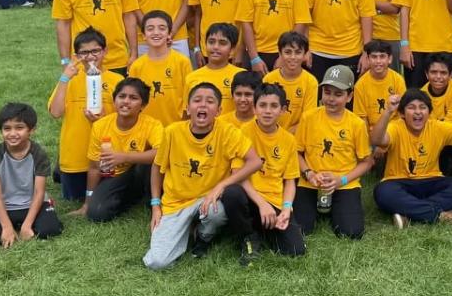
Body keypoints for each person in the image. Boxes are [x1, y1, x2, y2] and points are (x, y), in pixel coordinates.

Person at [144, 83, 263, 268]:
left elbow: (255, 161)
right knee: (157, 263)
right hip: (176, 202)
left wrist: (221, 186)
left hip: (207, 199)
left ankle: (203, 236)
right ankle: (186, 228)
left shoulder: (227, 131)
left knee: (218, 213)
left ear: (219, 110)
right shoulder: (172, 132)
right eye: (197, 100)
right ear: (187, 107)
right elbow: (157, 168)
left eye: (210, 102)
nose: (202, 105)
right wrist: (155, 205)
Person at [371, 89, 452, 229]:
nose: (418, 112)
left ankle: (410, 214)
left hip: (432, 180)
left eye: (423, 107)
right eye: (411, 107)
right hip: (398, 181)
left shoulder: (437, 127)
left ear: (429, 112)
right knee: (383, 192)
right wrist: (388, 112)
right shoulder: (396, 127)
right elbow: (376, 139)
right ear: (402, 113)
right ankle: (443, 217)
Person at [295, 66, 373, 239]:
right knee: (300, 229)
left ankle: (339, 209)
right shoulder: (309, 117)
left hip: (343, 183)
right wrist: (309, 173)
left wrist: (341, 180)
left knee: (351, 233)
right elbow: (297, 153)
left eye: (338, 94)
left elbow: (367, 162)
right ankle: (319, 209)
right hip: (311, 182)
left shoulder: (356, 124)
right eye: (327, 92)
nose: (330, 99)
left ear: (349, 96)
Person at [48, 28, 121, 203]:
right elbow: (56, 112)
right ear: (77, 55)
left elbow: (125, 121)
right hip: (75, 158)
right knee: (73, 197)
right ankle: (61, 171)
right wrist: (64, 78)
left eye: (95, 51)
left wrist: (104, 120)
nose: (90, 56)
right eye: (84, 53)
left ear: (105, 51)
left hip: (104, 157)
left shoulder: (116, 81)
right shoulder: (70, 80)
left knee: (104, 198)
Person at [78, 77, 163, 222]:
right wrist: (87, 202)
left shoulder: (152, 125)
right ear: (114, 100)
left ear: (143, 105)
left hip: (139, 172)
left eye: (133, 98)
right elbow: (93, 168)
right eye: (121, 96)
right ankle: (130, 198)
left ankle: (152, 200)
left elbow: (162, 153)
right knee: (96, 214)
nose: (126, 101)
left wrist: (125, 157)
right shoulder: (100, 126)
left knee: (151, 162)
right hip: (113, 176)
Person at [0, 103, 62, 246]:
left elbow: (39, 192)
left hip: (34, 204)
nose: (12, 133)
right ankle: (10, 227)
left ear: (31, 130)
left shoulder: (39, 154)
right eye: (7, 128)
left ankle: (24, 225)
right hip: (5, 206)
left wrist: (27, 225)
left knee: (51, 229)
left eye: (19, 127)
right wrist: (6, 227)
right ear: (1, 131)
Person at [240, 83, 306, 257]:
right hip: (250, 197)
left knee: (295, 251)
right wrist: (262, 204)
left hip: (275, 199)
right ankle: (249, 235)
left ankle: (264, 230)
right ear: (254, 108)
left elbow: (290, 180)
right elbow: (238, 176)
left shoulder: (289, 140)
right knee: (233, 195)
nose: (267, 111)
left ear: (283, 110)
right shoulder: (243, 133)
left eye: (274, 106)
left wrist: (286, 208)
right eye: (262, 105)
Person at [127, 10, 191, 127]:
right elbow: (133, 102)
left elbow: (188, 100)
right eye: (150, 29)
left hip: (176, 127)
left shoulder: (182, 62)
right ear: (144, 35)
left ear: (169, 33)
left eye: (162, 28)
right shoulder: (137, 66)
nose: (156, 33)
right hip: (146, 129)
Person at [184, 22, 244, 115]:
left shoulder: (241, 76)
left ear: (232, 49)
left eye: (222, 43)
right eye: (211, 42)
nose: (215, 47)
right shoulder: (192, 78)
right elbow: (187, 114)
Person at [263, 31, 318, 133]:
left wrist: (285, 136)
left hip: (297, 136)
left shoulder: (311, 82)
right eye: (288, 52)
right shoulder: (268, 79)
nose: (293, 57)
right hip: (271, 134)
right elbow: (263, 112)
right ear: (280, 53)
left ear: (305, 54)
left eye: (298, 52)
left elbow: (308, 119)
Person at [353, 40, 406, 132]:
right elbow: (361, 118)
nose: (378, 61)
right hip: (371, 131)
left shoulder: (398, 80)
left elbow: (402, 113)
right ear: (368, 59)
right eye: (374, 57)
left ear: (389, 59)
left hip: (393, 130)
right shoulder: (360, 84)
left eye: (382, 57)